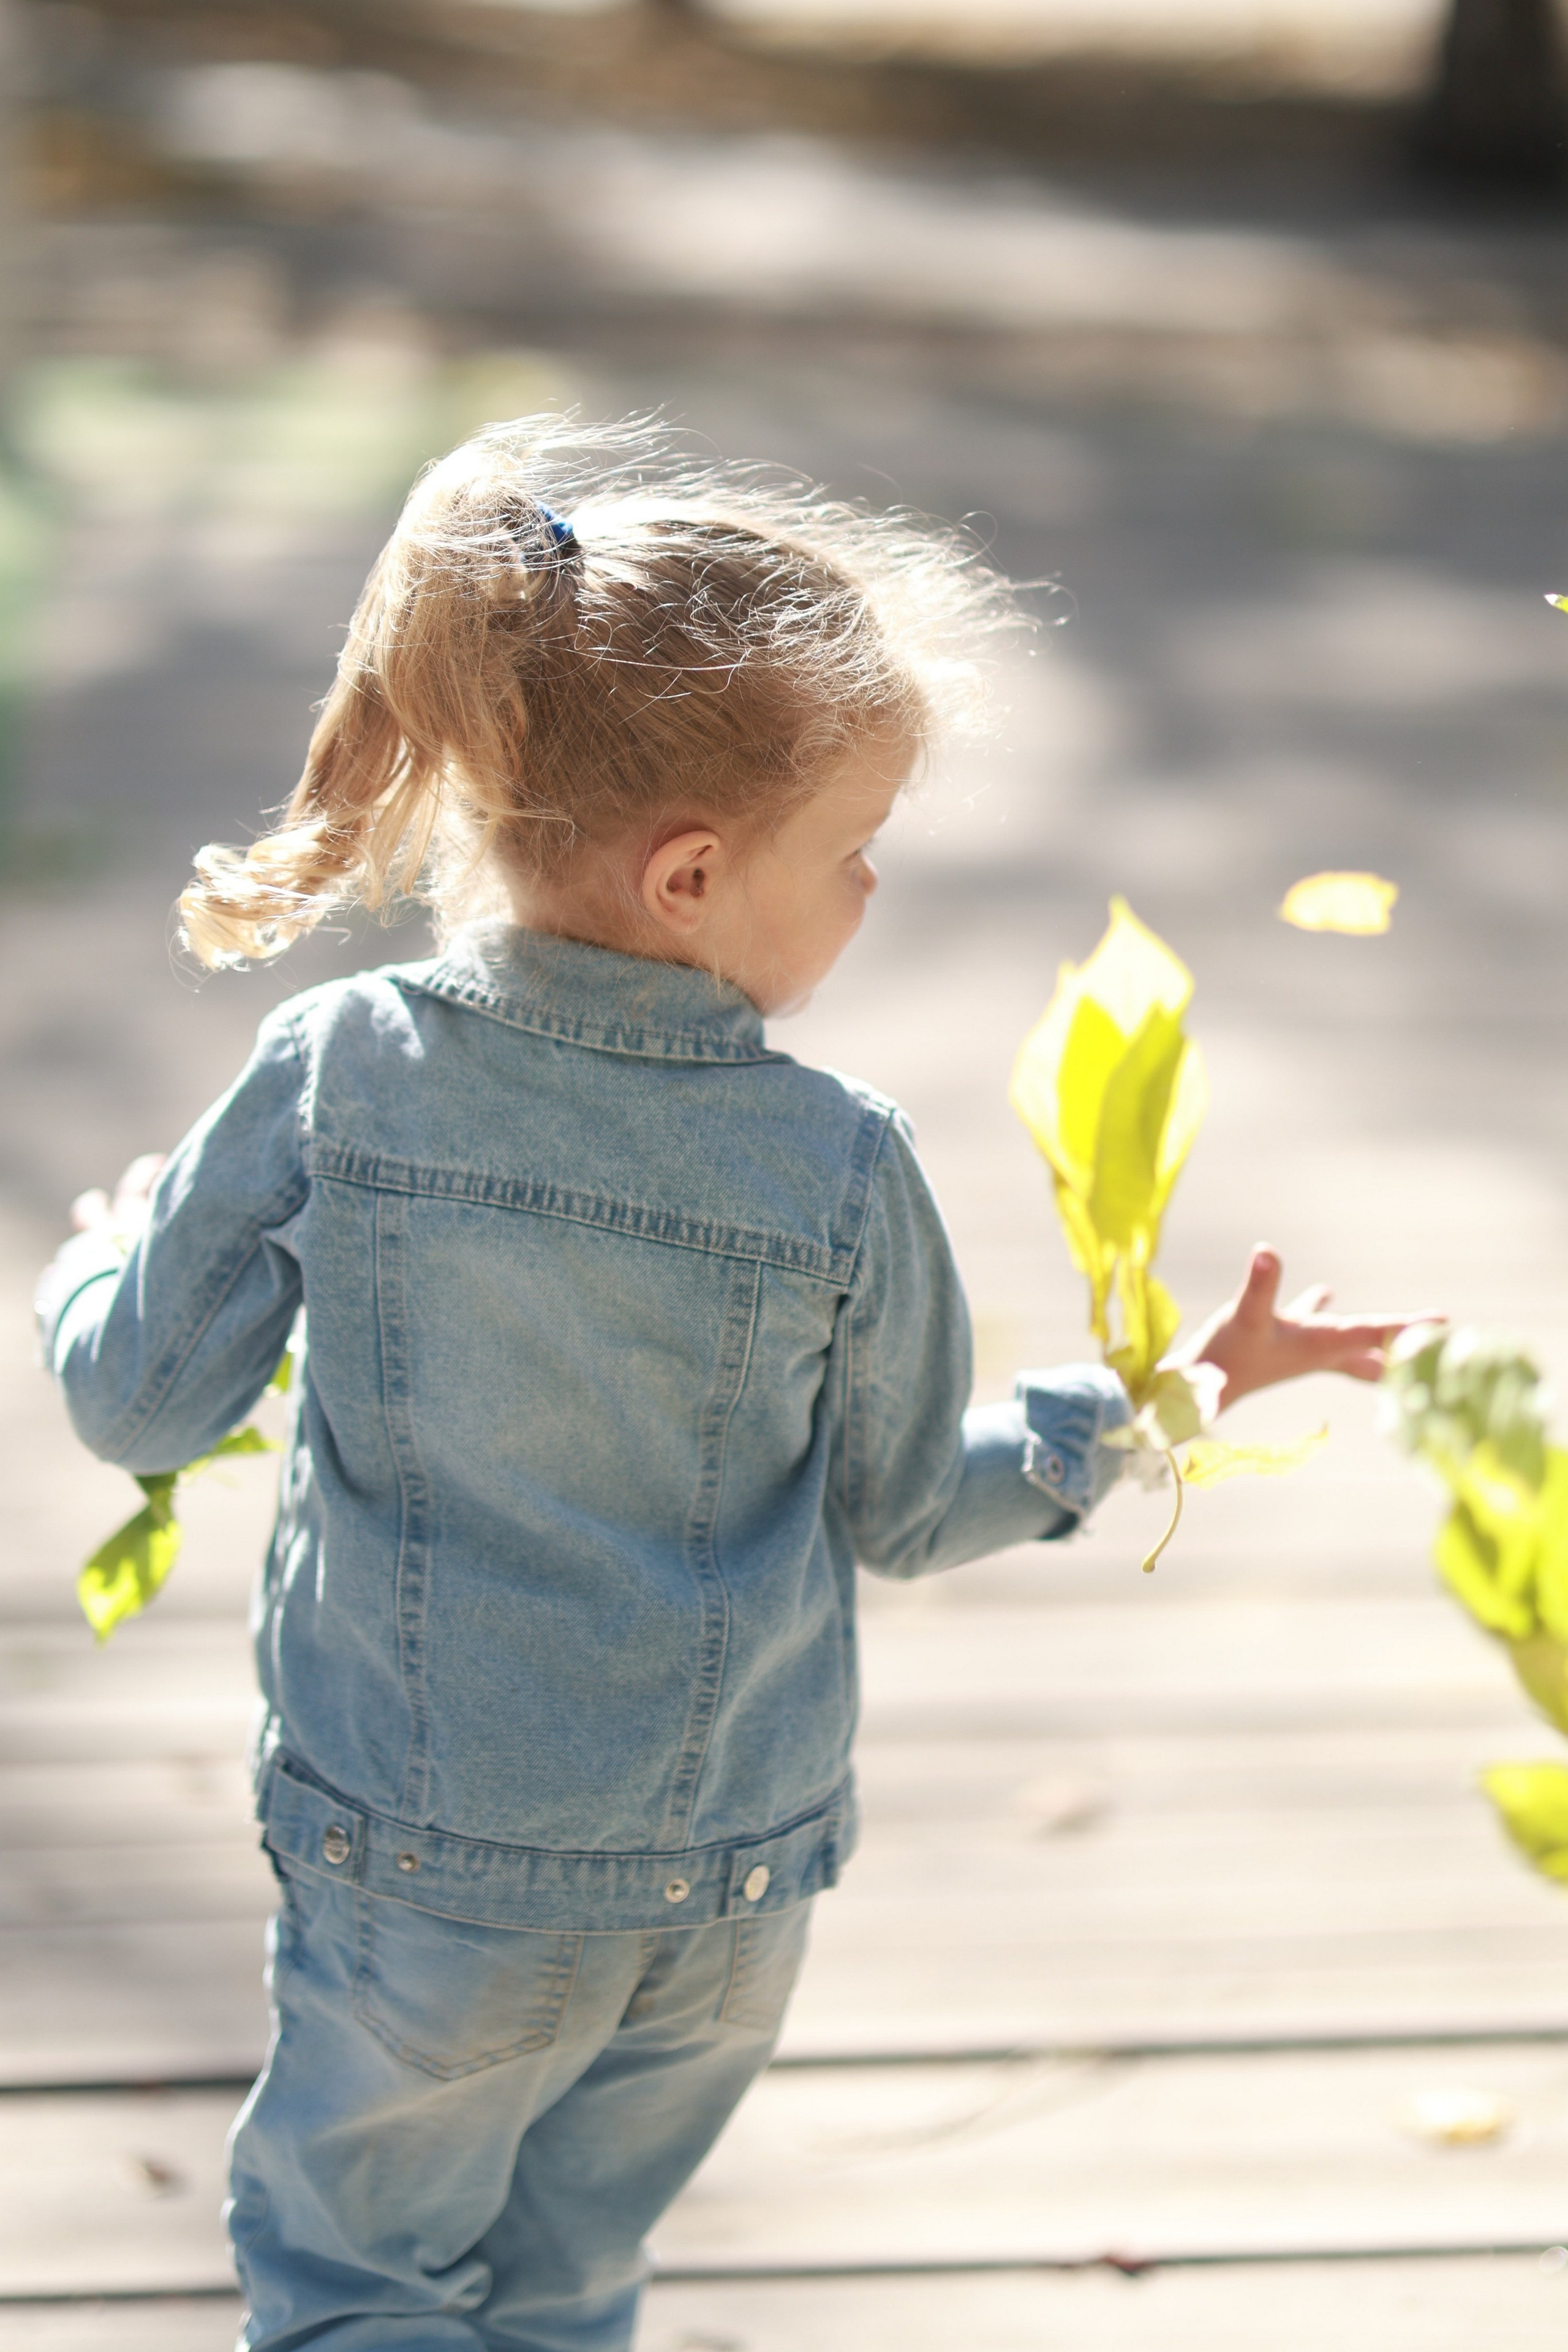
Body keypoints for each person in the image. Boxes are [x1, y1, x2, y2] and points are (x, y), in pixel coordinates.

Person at [37, 418, 1420, 2351]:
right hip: (725, 1900)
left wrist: (98, 1253)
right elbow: (913, 1508)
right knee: (567, 2287)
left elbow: (136, 1403)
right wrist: (1175, 1389)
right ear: (691, 875)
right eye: (853, 856)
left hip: (426, 1878)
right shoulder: (840, 1159)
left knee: (358, 2282)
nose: (868, 895)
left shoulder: (339, 1071)